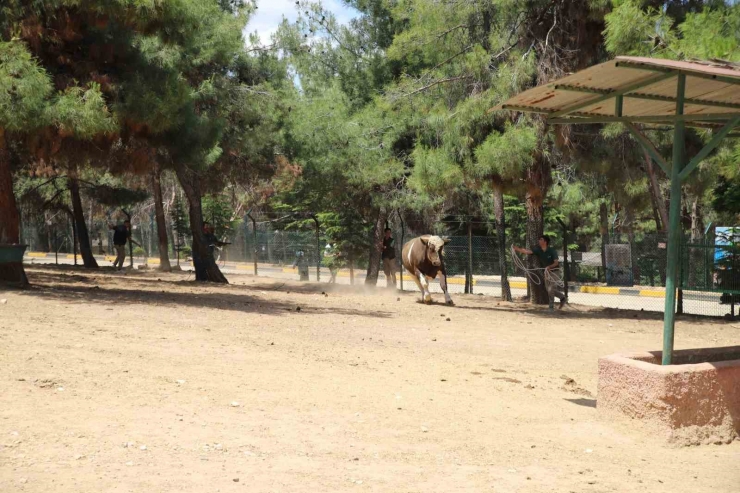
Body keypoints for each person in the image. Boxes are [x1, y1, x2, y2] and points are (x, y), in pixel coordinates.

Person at [514, 235, 567, 310]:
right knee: (548, 289)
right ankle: (562, 297)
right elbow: (527, 251)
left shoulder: (552, 251)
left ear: (545, 242)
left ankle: (551, 307)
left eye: (540, 239)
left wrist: (549, 267)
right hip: (546, 272)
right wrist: (517, 249)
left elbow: (556, 263)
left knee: (551, 289)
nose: (539, 241)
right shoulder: (538, 250)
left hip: (555, 271)